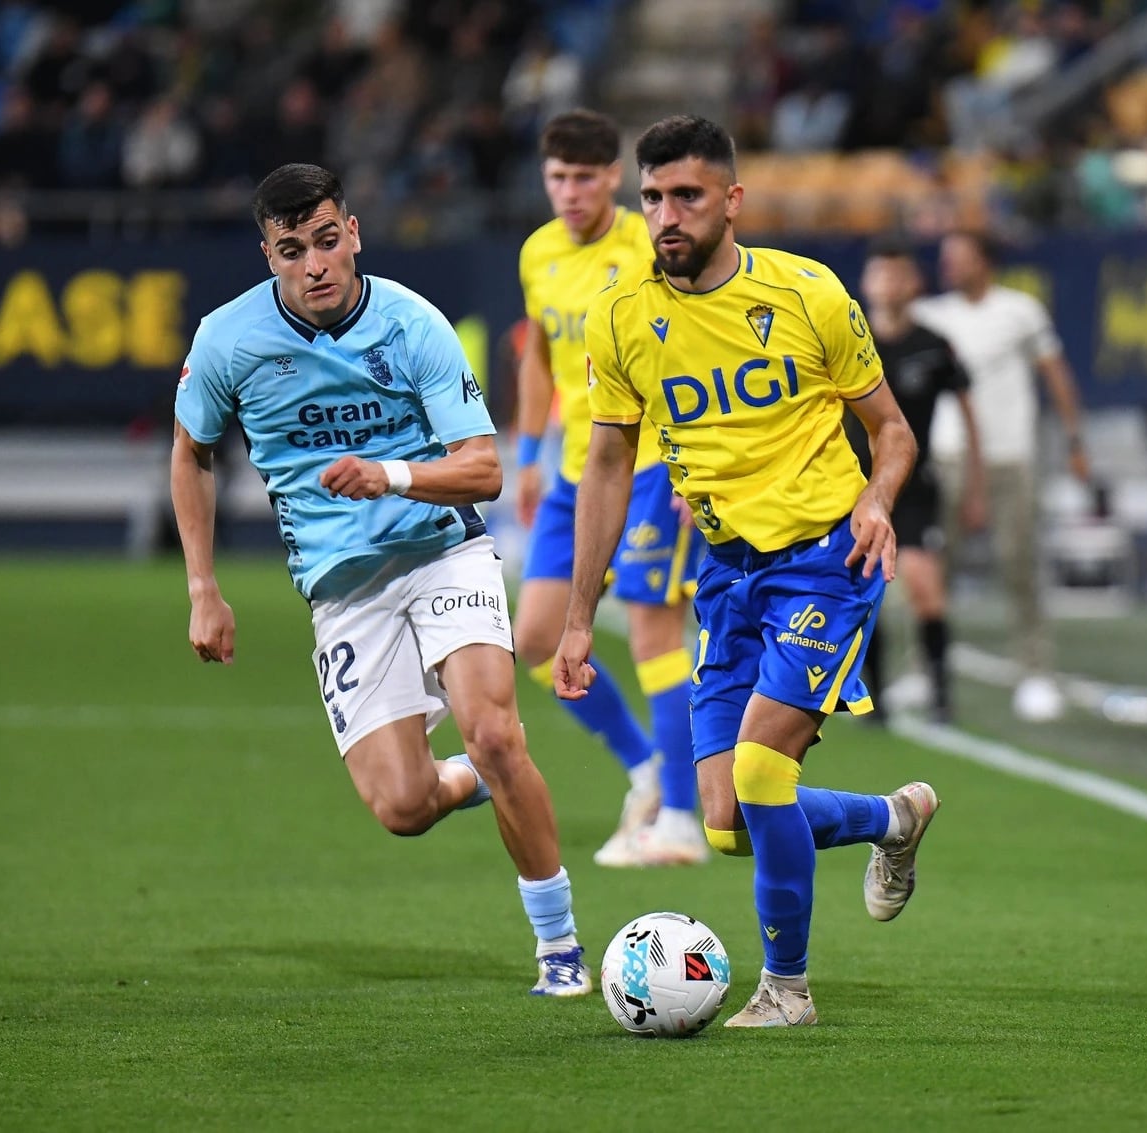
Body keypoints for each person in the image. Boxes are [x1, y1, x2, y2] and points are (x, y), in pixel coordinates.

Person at [551, 116, 940, 1028]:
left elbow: (892, 430)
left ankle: (787, 989)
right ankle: (892, 818)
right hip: (724, 577)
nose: (665, 216)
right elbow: (606, 467)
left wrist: (877, 499)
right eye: (651, 198)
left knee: (764, 773)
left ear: (732, 201)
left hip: (827, 563)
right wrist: (578, 618)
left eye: (686, 195)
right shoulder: (623, 317)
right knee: (727, 819)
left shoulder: (808, 294)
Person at [170, 163, 592, 997]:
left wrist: (392, 475)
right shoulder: (228, 339)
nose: (315, 264)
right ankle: (470, 776)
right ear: (268, 255)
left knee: (499, 732)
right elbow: (192, 451)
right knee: (403, 806)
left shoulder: (412, 323)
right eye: (292, 250)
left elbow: (481, 469)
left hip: (442, 549)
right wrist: (202, 588)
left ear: (353, 232)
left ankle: (560, 945)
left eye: (327, 241)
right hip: (343, 589)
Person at [513, 110, 706, 868]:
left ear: (613, 178)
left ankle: (683, 821)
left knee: (657, 634)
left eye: (583, 177)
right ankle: (647, 769)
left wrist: (698, 462)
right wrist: (527, 452)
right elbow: (537, 355)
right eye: (556, 177)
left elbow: (692, 354)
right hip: (572, 471)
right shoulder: (538, 253)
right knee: (532, 638)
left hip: (653, 461)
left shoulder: (647, 248)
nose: (568, 192)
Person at [910, 229, 1090, 722]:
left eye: (960, 256)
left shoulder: (1020, 311)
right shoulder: (930, 317)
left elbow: (1056, 374)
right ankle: (925, 669)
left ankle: (1035, 673)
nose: (948, 266)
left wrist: (1075, 439)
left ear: (984, 261)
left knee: (1020, 563)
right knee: (930, 569)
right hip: (948, 455)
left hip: (1010, 454)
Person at [841, 237, 984, 723]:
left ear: (915, 283)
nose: (889, 285)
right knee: (862, 592)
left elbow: (968, 410)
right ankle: (872, 699)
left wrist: (976, 482)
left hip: (915, 485)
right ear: (866, 283)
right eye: (880, 274)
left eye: (898, 274)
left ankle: (941, 693)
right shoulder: (847, 339)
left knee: (924, 586)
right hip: (856, 488)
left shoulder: (932, 345)